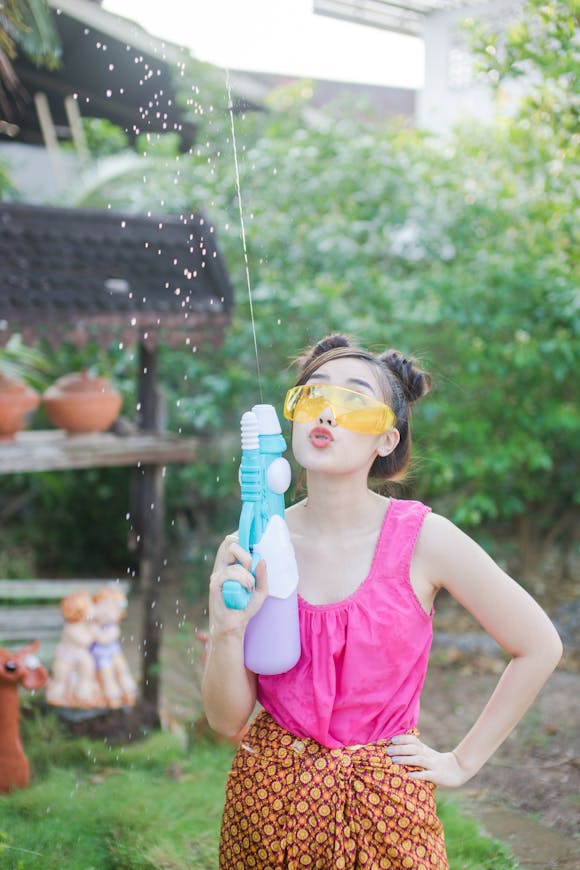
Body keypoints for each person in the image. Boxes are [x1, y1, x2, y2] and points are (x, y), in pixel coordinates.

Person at [202, 334, 563, 869]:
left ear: (386, 441)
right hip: (268, 803)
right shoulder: (257, 541)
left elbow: (538, 645)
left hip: (388, 808)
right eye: (312, 395)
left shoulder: (424, 539)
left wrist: (462, 762)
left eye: (353, 400)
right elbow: (227, 721)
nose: (326, 410)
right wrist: (227, 630)